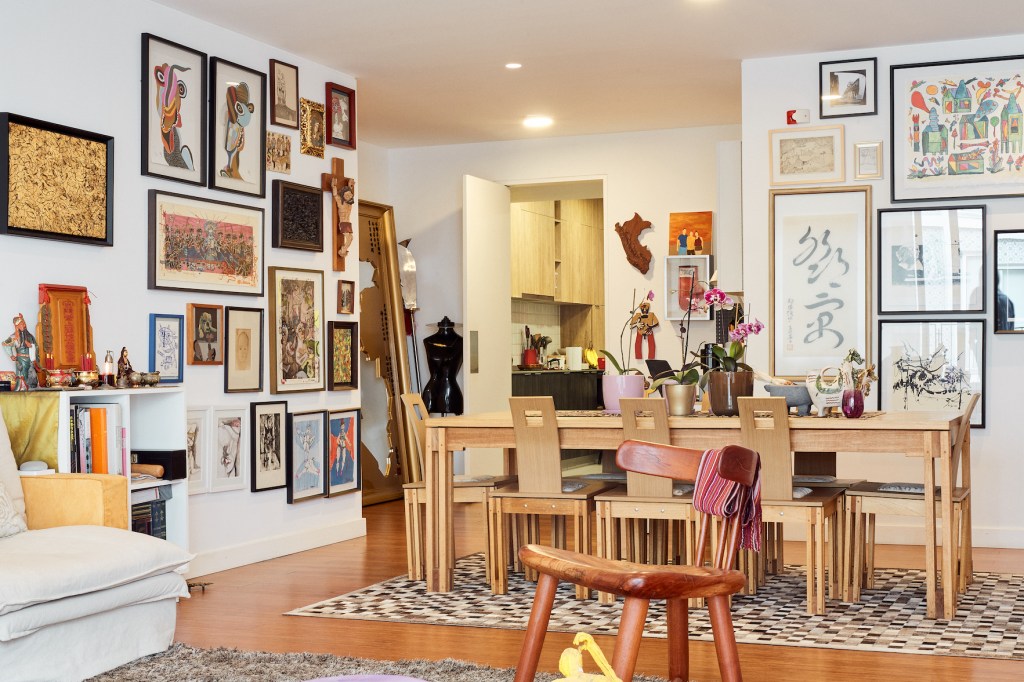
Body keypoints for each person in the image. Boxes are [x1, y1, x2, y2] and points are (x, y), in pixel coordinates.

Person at [2, 313, 38, 390]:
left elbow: (36, 347)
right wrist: (11, 355)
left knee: (31, 375)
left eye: (24, 324)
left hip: (30, 360)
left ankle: (31, 389)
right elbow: (5, 344)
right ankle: (21, 389)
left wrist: (31, 346)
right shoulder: (13, 337)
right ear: (17, 326)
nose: (24, 326)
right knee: (21, 376)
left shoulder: (30, 336)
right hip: (20, 360)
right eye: (21, 324)